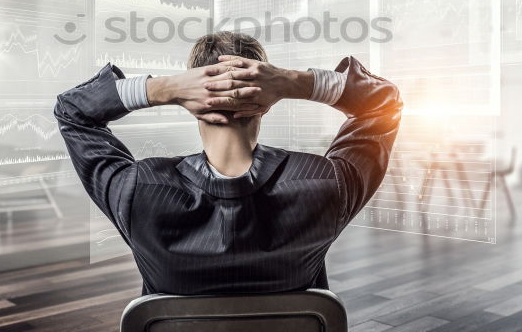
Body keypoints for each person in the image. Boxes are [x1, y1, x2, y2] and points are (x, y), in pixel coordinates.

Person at [54, 31, 402, 295]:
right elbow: (384, 104)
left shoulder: (138, 189)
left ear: (192, 99)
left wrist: (164, 88)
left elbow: (73, 111)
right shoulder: (326, 185)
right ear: (266, 103)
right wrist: (292, 82)